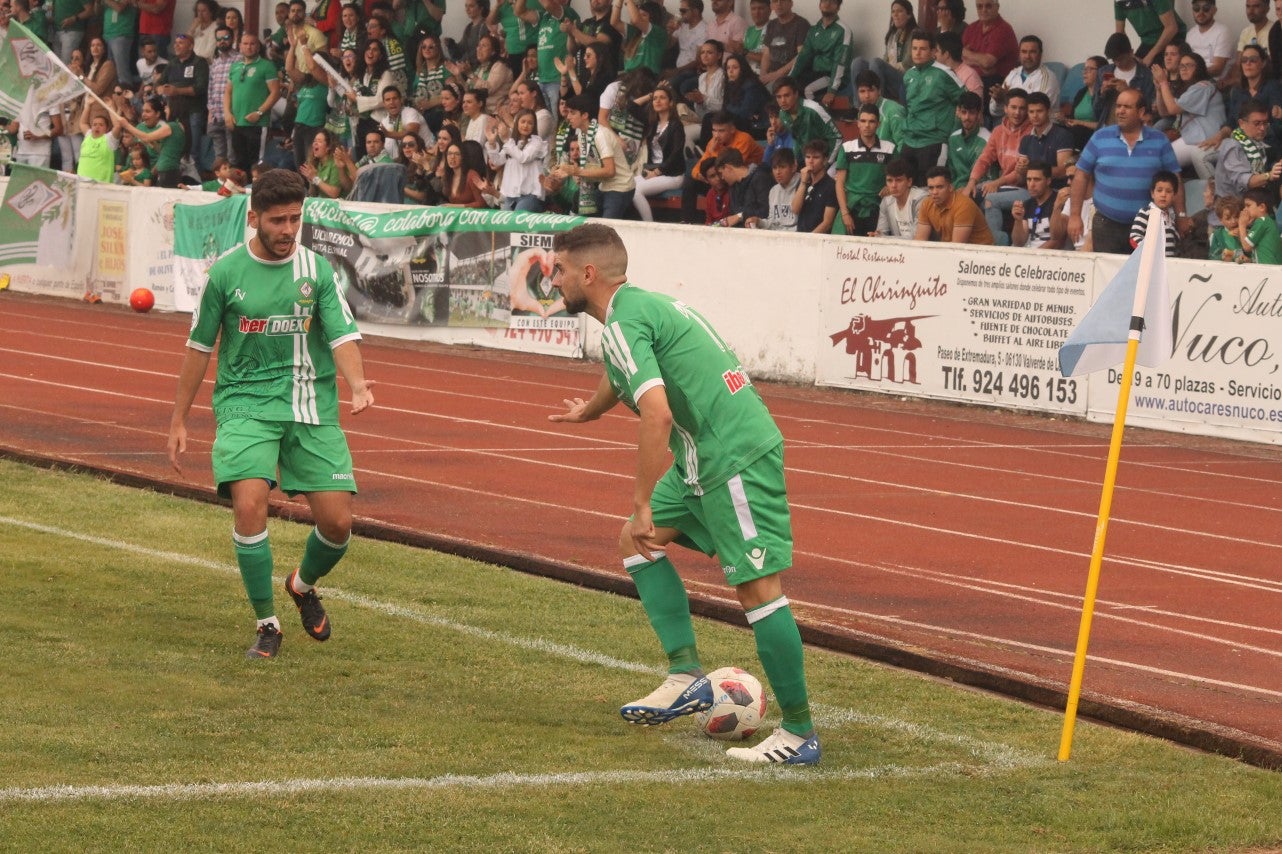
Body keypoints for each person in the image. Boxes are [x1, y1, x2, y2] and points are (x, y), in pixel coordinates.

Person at [547, 221, 821, 766]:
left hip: (734, 456)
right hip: (704, 455)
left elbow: (657, 411)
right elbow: (624, 372)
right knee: (635, 542)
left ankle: (798, 734)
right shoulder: (635, 310)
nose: (553, 281)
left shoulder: (625, 321)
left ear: (589, 272)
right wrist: (592, 410)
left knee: (758, 590)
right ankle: (685, 673)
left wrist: (644, 499)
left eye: (558, 270)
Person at [167, 169, 374, 660]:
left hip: (310, 406)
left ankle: (301, 586)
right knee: (248, 505)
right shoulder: (225, 274)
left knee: (339, 524)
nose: (287, 229)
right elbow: (199, 348)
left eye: (295, 218)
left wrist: (358, 383)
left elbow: (343, 335)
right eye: (278, 220)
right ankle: (267, 623)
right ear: (254, 218)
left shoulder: (316, 271)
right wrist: (179, 419)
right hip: (245, 404)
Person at [1070, 88, 1186, 254]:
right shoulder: (1100, 137)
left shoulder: (1159, 141)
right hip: (1106, 224)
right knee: (1109, 277)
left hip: (1149, 224)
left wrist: (1181, 215)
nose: (1120, 111)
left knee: (1143, 277)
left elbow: (1175, 179)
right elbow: (1081, 175)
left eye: (1126, 107)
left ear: (1141, 112)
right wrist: (1075, 215)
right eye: (1118, 106)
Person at [556, 94, 636, 218]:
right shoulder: (582, 136)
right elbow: (594, 169)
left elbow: (610, 171)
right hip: (604, 187)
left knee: (606, 228)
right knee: (580, 202)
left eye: (572, 113)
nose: (568, 117)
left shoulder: (600, 135)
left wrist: (578, 171)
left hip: (620, 187)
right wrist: (574, 174)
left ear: (585, 115)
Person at [901, 30, 964, 185]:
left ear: (933, 51)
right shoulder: (908, 75)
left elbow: (966, 101)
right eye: (914, 48)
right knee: (906, 189)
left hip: (933, 140)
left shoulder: (944, 73)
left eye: (922, 49)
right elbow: (907, 107)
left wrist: (953, 131)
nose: (917, 53)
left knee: (930, 190)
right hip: (910, 140)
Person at [1152, 50, 1225, 179]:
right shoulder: (1190, 89)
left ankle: (1213, 195)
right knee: (1159, 160)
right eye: (1181, 66)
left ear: (1199, 68)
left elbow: (1173, 108)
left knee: (1162, 162)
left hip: (1206, 139)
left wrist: (1164, 83)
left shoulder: (1203, 86)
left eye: (1189, 65)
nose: (1184, 69)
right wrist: (1159, 90)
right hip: (1193, 139)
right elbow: (1164, 112)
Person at [833, 103, 895, 236]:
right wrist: (844, 213)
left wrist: (890, 187)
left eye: (872, 121)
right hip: (851, 208)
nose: (867, 125)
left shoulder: (890, 148)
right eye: (863, 121)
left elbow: (898, 177)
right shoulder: (846, 148)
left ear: (878, 124)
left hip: (879, 208)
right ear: (858, 123)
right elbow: (839, 183)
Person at [225, 33, 282, 172]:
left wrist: (259, 112)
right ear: (240, 46)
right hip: (237, 121)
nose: (248, 47)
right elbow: (228, 92)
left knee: (256, 164)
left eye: (252, 44)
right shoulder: (235, 67)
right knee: (238, 163)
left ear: (258, 47)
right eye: (245, 43)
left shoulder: (266, 66)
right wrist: (227, 113)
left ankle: (255, 191)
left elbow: (275, 92)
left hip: (257, 123)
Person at [633, 83, 687, 221]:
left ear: (671, 103)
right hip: (653, 172)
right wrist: (650, 95)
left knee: (635, 191)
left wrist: (656, 172)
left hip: (672, 175)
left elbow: (675, 155)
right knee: (626, 185)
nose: (657, 101)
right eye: (655, 98)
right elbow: (631, 107)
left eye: (662, 98)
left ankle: (649, 225)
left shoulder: (676, 125)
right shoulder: (653, 123)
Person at [788, 0, 854, 106]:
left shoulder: (843, 30)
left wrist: (832, 90)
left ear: (838, 7)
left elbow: (841, 63)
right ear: (819, 5)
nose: (827, 4)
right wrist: (789, 78)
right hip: (815, 74)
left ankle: (818, 118)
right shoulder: (814, 30)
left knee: (807, 90)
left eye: (832, 2)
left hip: (832, 76)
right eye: (824, 1)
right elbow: (802, 56)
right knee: (789, 87)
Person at [850, 0, 916, 102]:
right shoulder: (892, 35)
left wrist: (886, 66)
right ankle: (858, 107)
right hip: (891, 76)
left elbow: (908, 62)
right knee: (858, 62)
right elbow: (886, 59)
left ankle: (878, 104)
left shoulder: (915, 33)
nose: (896, 15)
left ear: (909, 15)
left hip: (904, 79)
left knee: (876, 62)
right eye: (893, 12)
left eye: (900, 11)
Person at [961, 0, 1016, 117]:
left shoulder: (1004, 29)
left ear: (997, 7)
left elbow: (987, 62)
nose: (983, 10)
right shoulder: (971, 28)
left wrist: (968, 54)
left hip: (995, 84)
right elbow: (960, 57)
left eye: (988, 6)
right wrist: (980, 62)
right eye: (979, 6)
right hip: (971, 79)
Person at [486, 108, 548, 210]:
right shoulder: (512, 143)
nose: (525, 125)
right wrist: (492, 143)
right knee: (506, 223)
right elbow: (497, 161)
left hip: (530, 195)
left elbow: (523, 158)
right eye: (523, 121)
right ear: (517, 123)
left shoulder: (536, 142)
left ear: (534, 126)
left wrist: (506, 140)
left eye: (530, 123)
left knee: (518, 221)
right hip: (510, 195)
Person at [915, 164, 995, 243]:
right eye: (931, 188)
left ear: (950, 187)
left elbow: (956, 246)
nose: (934, 192)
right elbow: (920, 241)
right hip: (954, 252)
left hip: (982, 252)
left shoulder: (964, 205)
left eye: (939, 187)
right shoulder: (926, 204)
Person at [773, 76, 840, 163]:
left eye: (786, 95)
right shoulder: (782, 114)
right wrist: (795, 160)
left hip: (830, 159)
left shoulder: (814, 109)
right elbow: (796, 138)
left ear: (796, 94)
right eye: (779, 97)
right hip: (808, 160)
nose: (782, 101)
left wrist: (826, 164)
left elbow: (837, 137)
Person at [1094, 33, 1157, 127]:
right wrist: (1101, 93)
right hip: (1107, 128)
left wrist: (1129, 91)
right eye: (1114, 59)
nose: (1117, 63)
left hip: (1134, 129)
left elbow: (1150, 111)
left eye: (1121, 59)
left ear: (1131, 52)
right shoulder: (1103, 72)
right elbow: (1096, 112)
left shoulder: (1147, 75)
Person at [988, 35, 1058, 117]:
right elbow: (994, 112)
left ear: (1040, 54)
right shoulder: (1013, 74)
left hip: (1037, 128)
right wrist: (999, 101)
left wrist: (1007, 98)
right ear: (1019, 54)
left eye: (1032, 52)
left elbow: (1037, 114)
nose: (1027, 56)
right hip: (1011, 125)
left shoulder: (1048, 77)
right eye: (1024, 52)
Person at [712, 146, 775, 227]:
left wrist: (740, 216)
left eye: (721, 173)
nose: (722, 178)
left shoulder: (761, 178)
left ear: (728, 168)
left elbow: (766, 212)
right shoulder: (733, 188)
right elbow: (733, 215)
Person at [1115, 0, 1186, 67]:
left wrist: (1150, 56)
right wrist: (1130, 55)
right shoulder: (1119, 1)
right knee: (1134, 68)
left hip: (1172, 38)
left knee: (1156, 69)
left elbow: (1171, 28)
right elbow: (1119, 35)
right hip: (1147, 42)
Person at [759, 0, 810, 88]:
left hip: (790, 77)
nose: (779, 4)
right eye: (775, 1)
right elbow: (766, 55)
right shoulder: (771, 24)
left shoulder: (801, 24)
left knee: (764, 94)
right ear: (771, 5)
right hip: (772, 75)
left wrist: (777, 74)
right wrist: (763, 76)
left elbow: (801, 56)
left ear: (791, 3)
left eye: (782, 0)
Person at [1129, 170, 1181, 256]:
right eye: (1159, 190)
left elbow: (1174, 240)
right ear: (1152, 193)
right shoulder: (1146, 212)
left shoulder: (1172, 216)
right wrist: (1149, 252)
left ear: (1174, 196)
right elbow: (1134, 237)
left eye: (1168, 191)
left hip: (1169, 263)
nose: (1163, 194)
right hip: (1151, 263)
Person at [791, 138, 838, 232]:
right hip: (801, 235)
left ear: (825, 160)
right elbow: (795, 209)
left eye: (816, 157)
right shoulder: (803, 181)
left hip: (819, 240)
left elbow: (827, 223)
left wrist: (810, 239)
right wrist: (803, 183)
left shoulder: (831, 186)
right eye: (808, 157)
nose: (810, 161)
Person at [1010, 160, 1059, 249]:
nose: (1031, 184)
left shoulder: (1059, 202)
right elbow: (1019, 243)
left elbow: (1058, 241)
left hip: (1051, 258)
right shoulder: (1027, 204)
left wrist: (1034, 256)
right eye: (1028, 179)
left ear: (1048, 181)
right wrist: (1018, 221)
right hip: (1030, 255)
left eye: (1037, 180)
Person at [946, 90, 989, 189]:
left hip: (978, 189)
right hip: (956, 190)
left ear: (979, 114)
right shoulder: (953, 139)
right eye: (964, 112)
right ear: (958, 112)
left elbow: (988, 177)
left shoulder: (987, 139)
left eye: (972, 113)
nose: (967, 117)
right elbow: (951, 173)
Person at [874, 157, 928, 238]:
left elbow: (917, 238)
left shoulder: (921, 200)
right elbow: (881, 232)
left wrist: (883, 238)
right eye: (889, 180)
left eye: (899, 180)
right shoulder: (886, 201)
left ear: (909, 182)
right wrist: (876, 236)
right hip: (898, 249)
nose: (893, 185)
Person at [616, 0, 669, 78]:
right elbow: (614, 22)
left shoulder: (659, 33)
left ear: (653, 17)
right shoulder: (635, 32)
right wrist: (619, 3)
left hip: (646, 79)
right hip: (628, 77)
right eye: (638, 14)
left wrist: (628, 1)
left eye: (643, 15)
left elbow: (636, 20)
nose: (639, 17)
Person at [1063, 55, 1105, 151]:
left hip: (1094, 135)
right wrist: (1065, 120)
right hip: (1076, 133)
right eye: (1084, 69)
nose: (1085, 72)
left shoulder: (1105, 95)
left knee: (1077, 131)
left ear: (1101, 72)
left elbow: (1105, 125)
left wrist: (1080, 123)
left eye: (1090, 69)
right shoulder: (1081, 92)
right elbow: (1073, 118)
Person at [1186, 0, 1233, 82]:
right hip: (1193, 79)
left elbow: (1217, 69)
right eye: (1196, 8)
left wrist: (1193, 74)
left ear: (1214, 10)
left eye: (1206, 8)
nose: (1200, 12)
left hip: (1212, 81)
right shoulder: (1190, 34)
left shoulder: (1222, 32)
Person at [300, 128, 355, 197]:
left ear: (328, 147)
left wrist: (315, 178)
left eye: (319, 141)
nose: (315, 143)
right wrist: (311, 180)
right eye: (314, 141)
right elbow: (312, 194)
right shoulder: (316, 163)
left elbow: (334, 193)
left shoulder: (335, 162)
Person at [757, 146, 801, 230]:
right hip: (777, 238)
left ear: (794, 167)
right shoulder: (774, 190)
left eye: (782, 167)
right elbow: (772, 223)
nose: (778, 172)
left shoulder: (803, 185)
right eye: (774, 168)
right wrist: (759, 222)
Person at [1238, 185, 1282, 261]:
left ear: (1262, 207)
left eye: (1248, 205)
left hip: (1268, 270)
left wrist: (1241, 225)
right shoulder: (1267, 221)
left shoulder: (1262, 221)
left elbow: (1247, 247)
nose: (1245, 209)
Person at [1209, 194, 1247, 261]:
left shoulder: (1248, 231)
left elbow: (1253, 254)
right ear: (1220, 220)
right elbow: (1212, 257)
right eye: (1228, 218)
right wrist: (1221, 257)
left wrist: (1242, 237)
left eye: (1236, 217)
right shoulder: (1217, 235)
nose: (1233, 221)